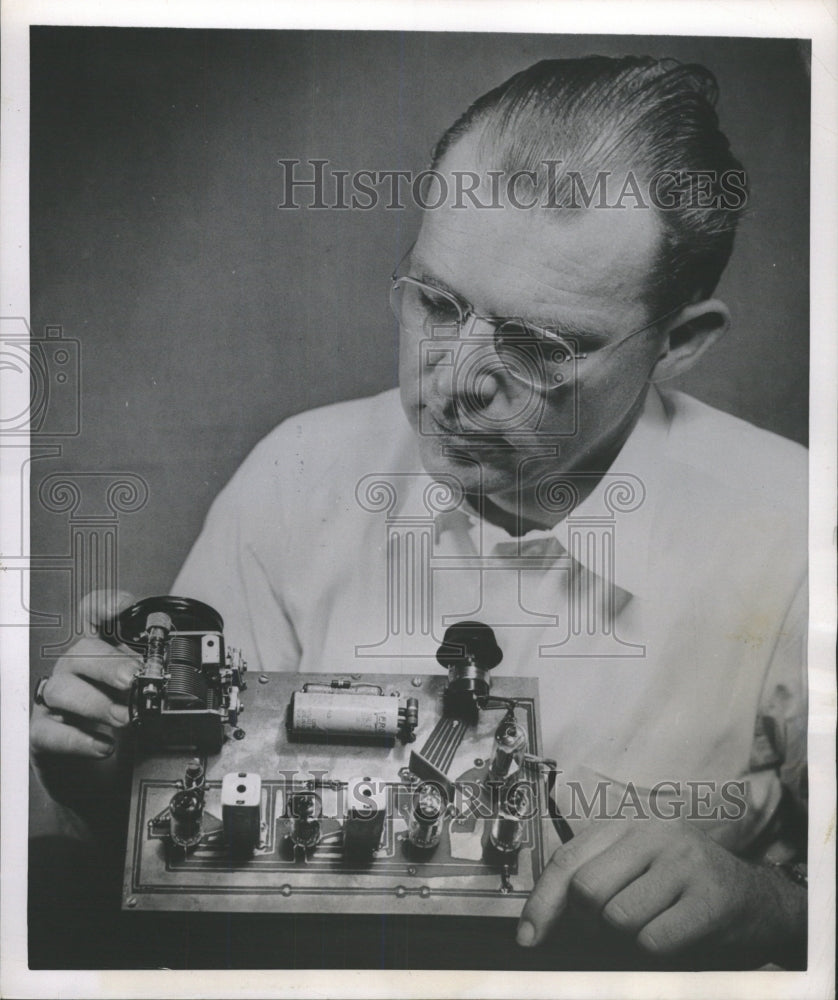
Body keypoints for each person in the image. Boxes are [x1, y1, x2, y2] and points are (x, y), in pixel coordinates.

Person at [30, 56, 807, 969]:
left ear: (678, 344)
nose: (455, 382)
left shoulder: (797, 529)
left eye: (537, 343)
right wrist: (110, 781)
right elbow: (182, 839)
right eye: (437, 303)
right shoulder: (298, 474)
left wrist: (774, 910)